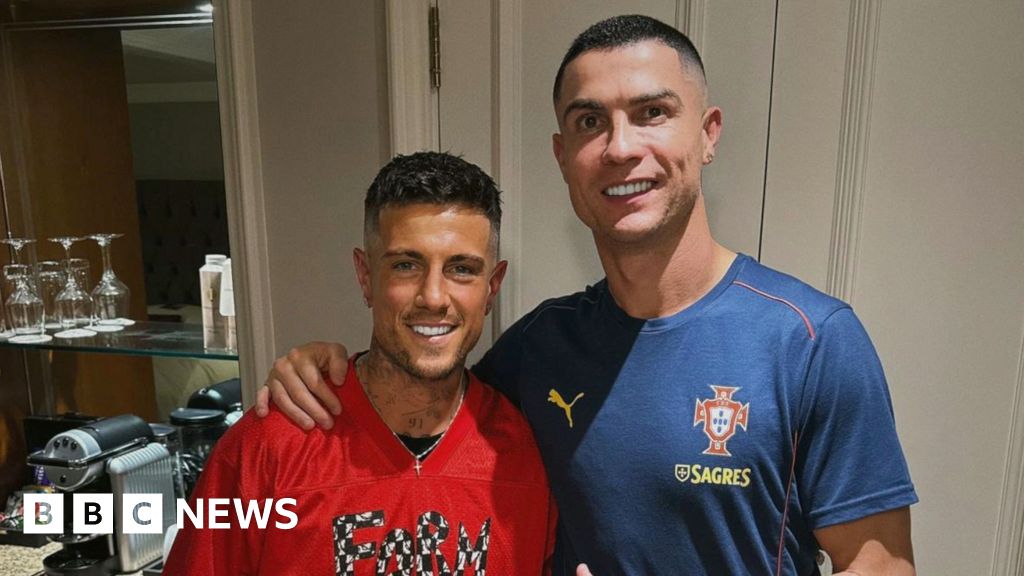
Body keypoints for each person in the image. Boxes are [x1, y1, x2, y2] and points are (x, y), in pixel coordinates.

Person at [257, 15, 917, 576]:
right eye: (590, 121)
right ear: (562, 153)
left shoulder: (811, 341)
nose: (621, 147)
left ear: (709, 133)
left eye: (652, 113)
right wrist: (323, 366)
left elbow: (882, 566)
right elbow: (426, 391)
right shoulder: (540, 346)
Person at [165, 152, 556, 575]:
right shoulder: (266, 449)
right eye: (406, 266)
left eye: (462, 269)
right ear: (366, 276)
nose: (434, 297)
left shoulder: (524, 453)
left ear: (492, 287)